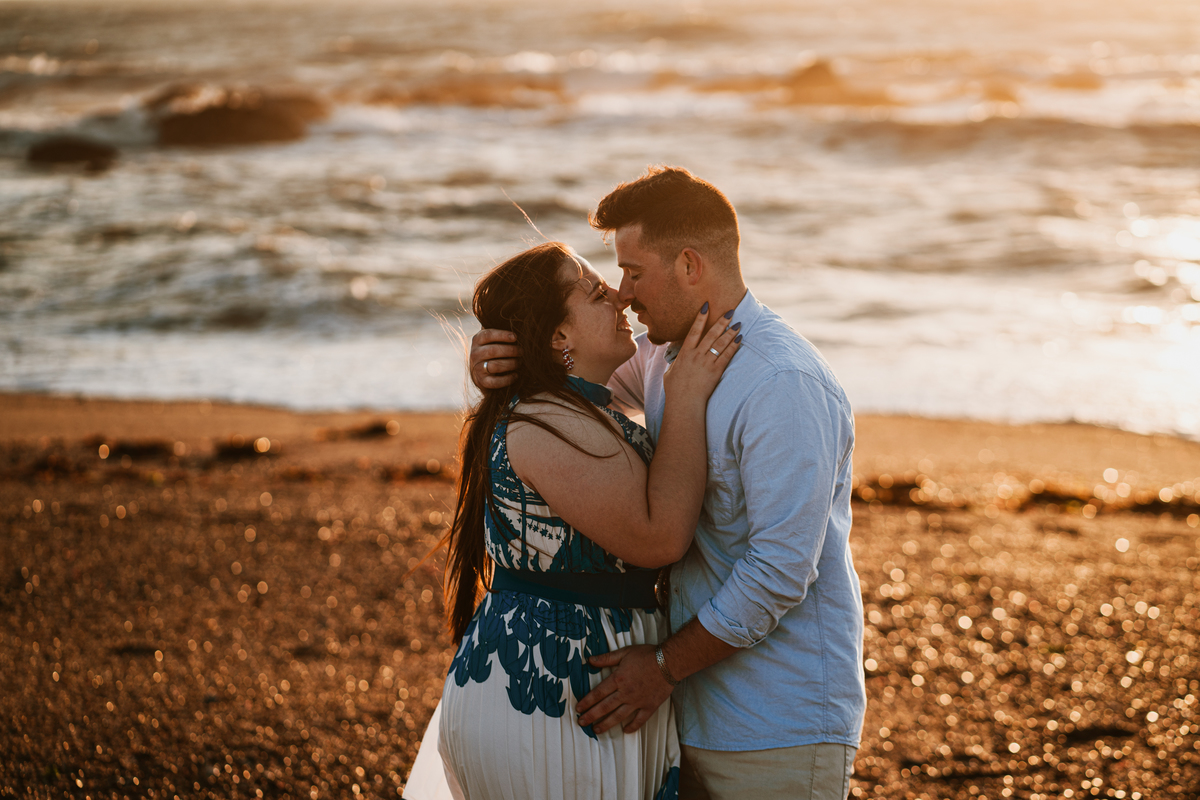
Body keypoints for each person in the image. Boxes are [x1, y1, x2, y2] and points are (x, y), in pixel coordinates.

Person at [469, 167, 866, 799]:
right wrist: (499, 358)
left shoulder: (782, 384)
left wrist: (662, 667)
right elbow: (567, 388)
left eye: (633, 271)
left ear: (688, 265)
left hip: (776, 722)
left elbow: (782, 570)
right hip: (680, 716)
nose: (622, 294)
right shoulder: (660, 355)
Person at [413, 240, 740, 800]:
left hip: (587, 689)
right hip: (546, 697)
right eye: (594, 291)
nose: (617, 294)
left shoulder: (580, 405)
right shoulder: (544, 420)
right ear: (559, 339)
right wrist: (684, 399)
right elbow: (659, 537)